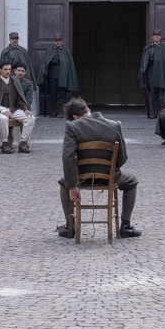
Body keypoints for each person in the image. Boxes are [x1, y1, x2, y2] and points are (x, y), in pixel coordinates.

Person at [56, 98, 140, 239]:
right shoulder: (115, 125)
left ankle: (69, 226)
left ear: (75, 117)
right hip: (109, 176)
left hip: (82, 177)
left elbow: (68, 157)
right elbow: (122, 157)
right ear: (88, 110)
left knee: (64, 183)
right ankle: (126, 225)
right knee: (132, 181)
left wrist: (73, 185)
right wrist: (110, 171)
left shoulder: (72, 126)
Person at [0, 62, 35, 153]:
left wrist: (25, 109)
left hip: (12, 108)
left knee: (31, 117)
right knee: (3, 119)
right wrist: (2, 110)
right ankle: (5, 143)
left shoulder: (14, 80)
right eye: (5, 69)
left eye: (9, 69)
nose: (8, 71)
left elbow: (20, 98)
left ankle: (23, 142)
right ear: (0, 70)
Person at [38, 35, 78, 117]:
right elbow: (46, 62)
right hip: (52, 77)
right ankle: (53, 111)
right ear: (54, 41)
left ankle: (62, 112)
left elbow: (68, 63)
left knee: (62, 95)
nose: (58, 42)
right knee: (53, 94)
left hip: (63, 77)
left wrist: (59, 60)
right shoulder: (50, 50)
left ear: (62, 41)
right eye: (56, 40)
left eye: (59, 40)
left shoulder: (66, 50)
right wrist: (52, 61)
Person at [139, 29, 165, 119]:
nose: (156, 37)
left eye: (158, 35)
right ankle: (154, 112)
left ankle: (163, 113)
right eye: (155, 35)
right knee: (153, 95)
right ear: (152, 37)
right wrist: (144, 68)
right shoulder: (149, 48)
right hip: (152, 74)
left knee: (162, 95)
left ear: (160, 37)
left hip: (162, 74)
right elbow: (145, 59)